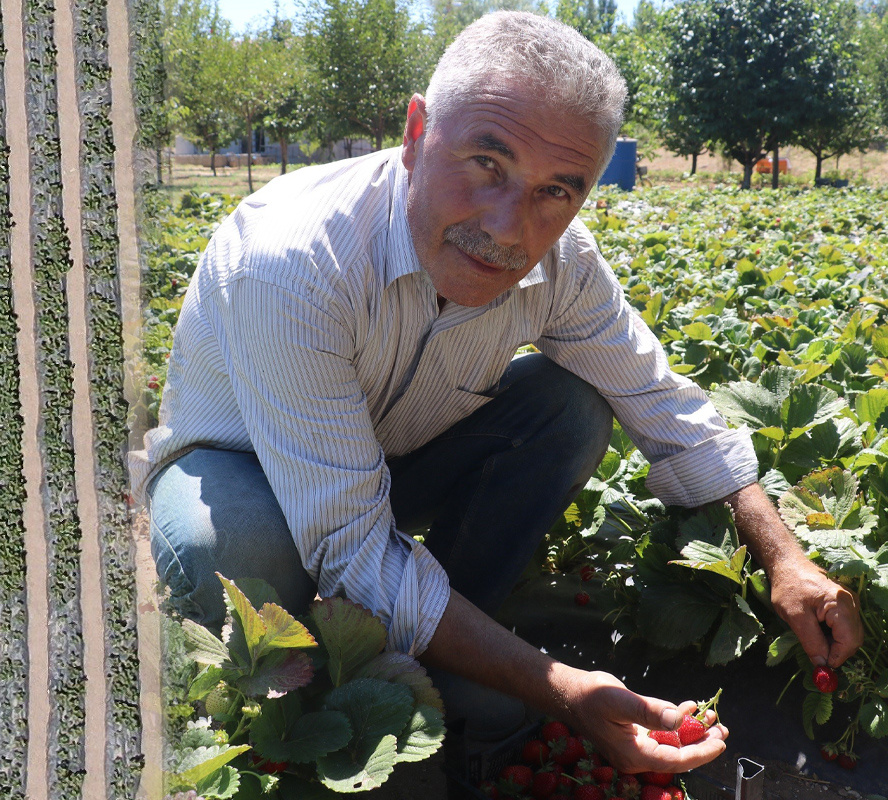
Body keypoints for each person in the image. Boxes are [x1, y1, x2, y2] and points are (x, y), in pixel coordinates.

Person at [130, 11, 862, 775]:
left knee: (570, 405)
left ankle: (448, 649)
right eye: (486, 161)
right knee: (237, 549)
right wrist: (561, 689)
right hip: (241, 470)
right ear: (416, 132)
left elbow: (663, 404)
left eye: (556, 189)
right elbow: (347, 542)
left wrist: (786, 559)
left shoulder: (563, 265)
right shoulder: (294, 261)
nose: (510, 228)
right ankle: (285, 699)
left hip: (393, 459)